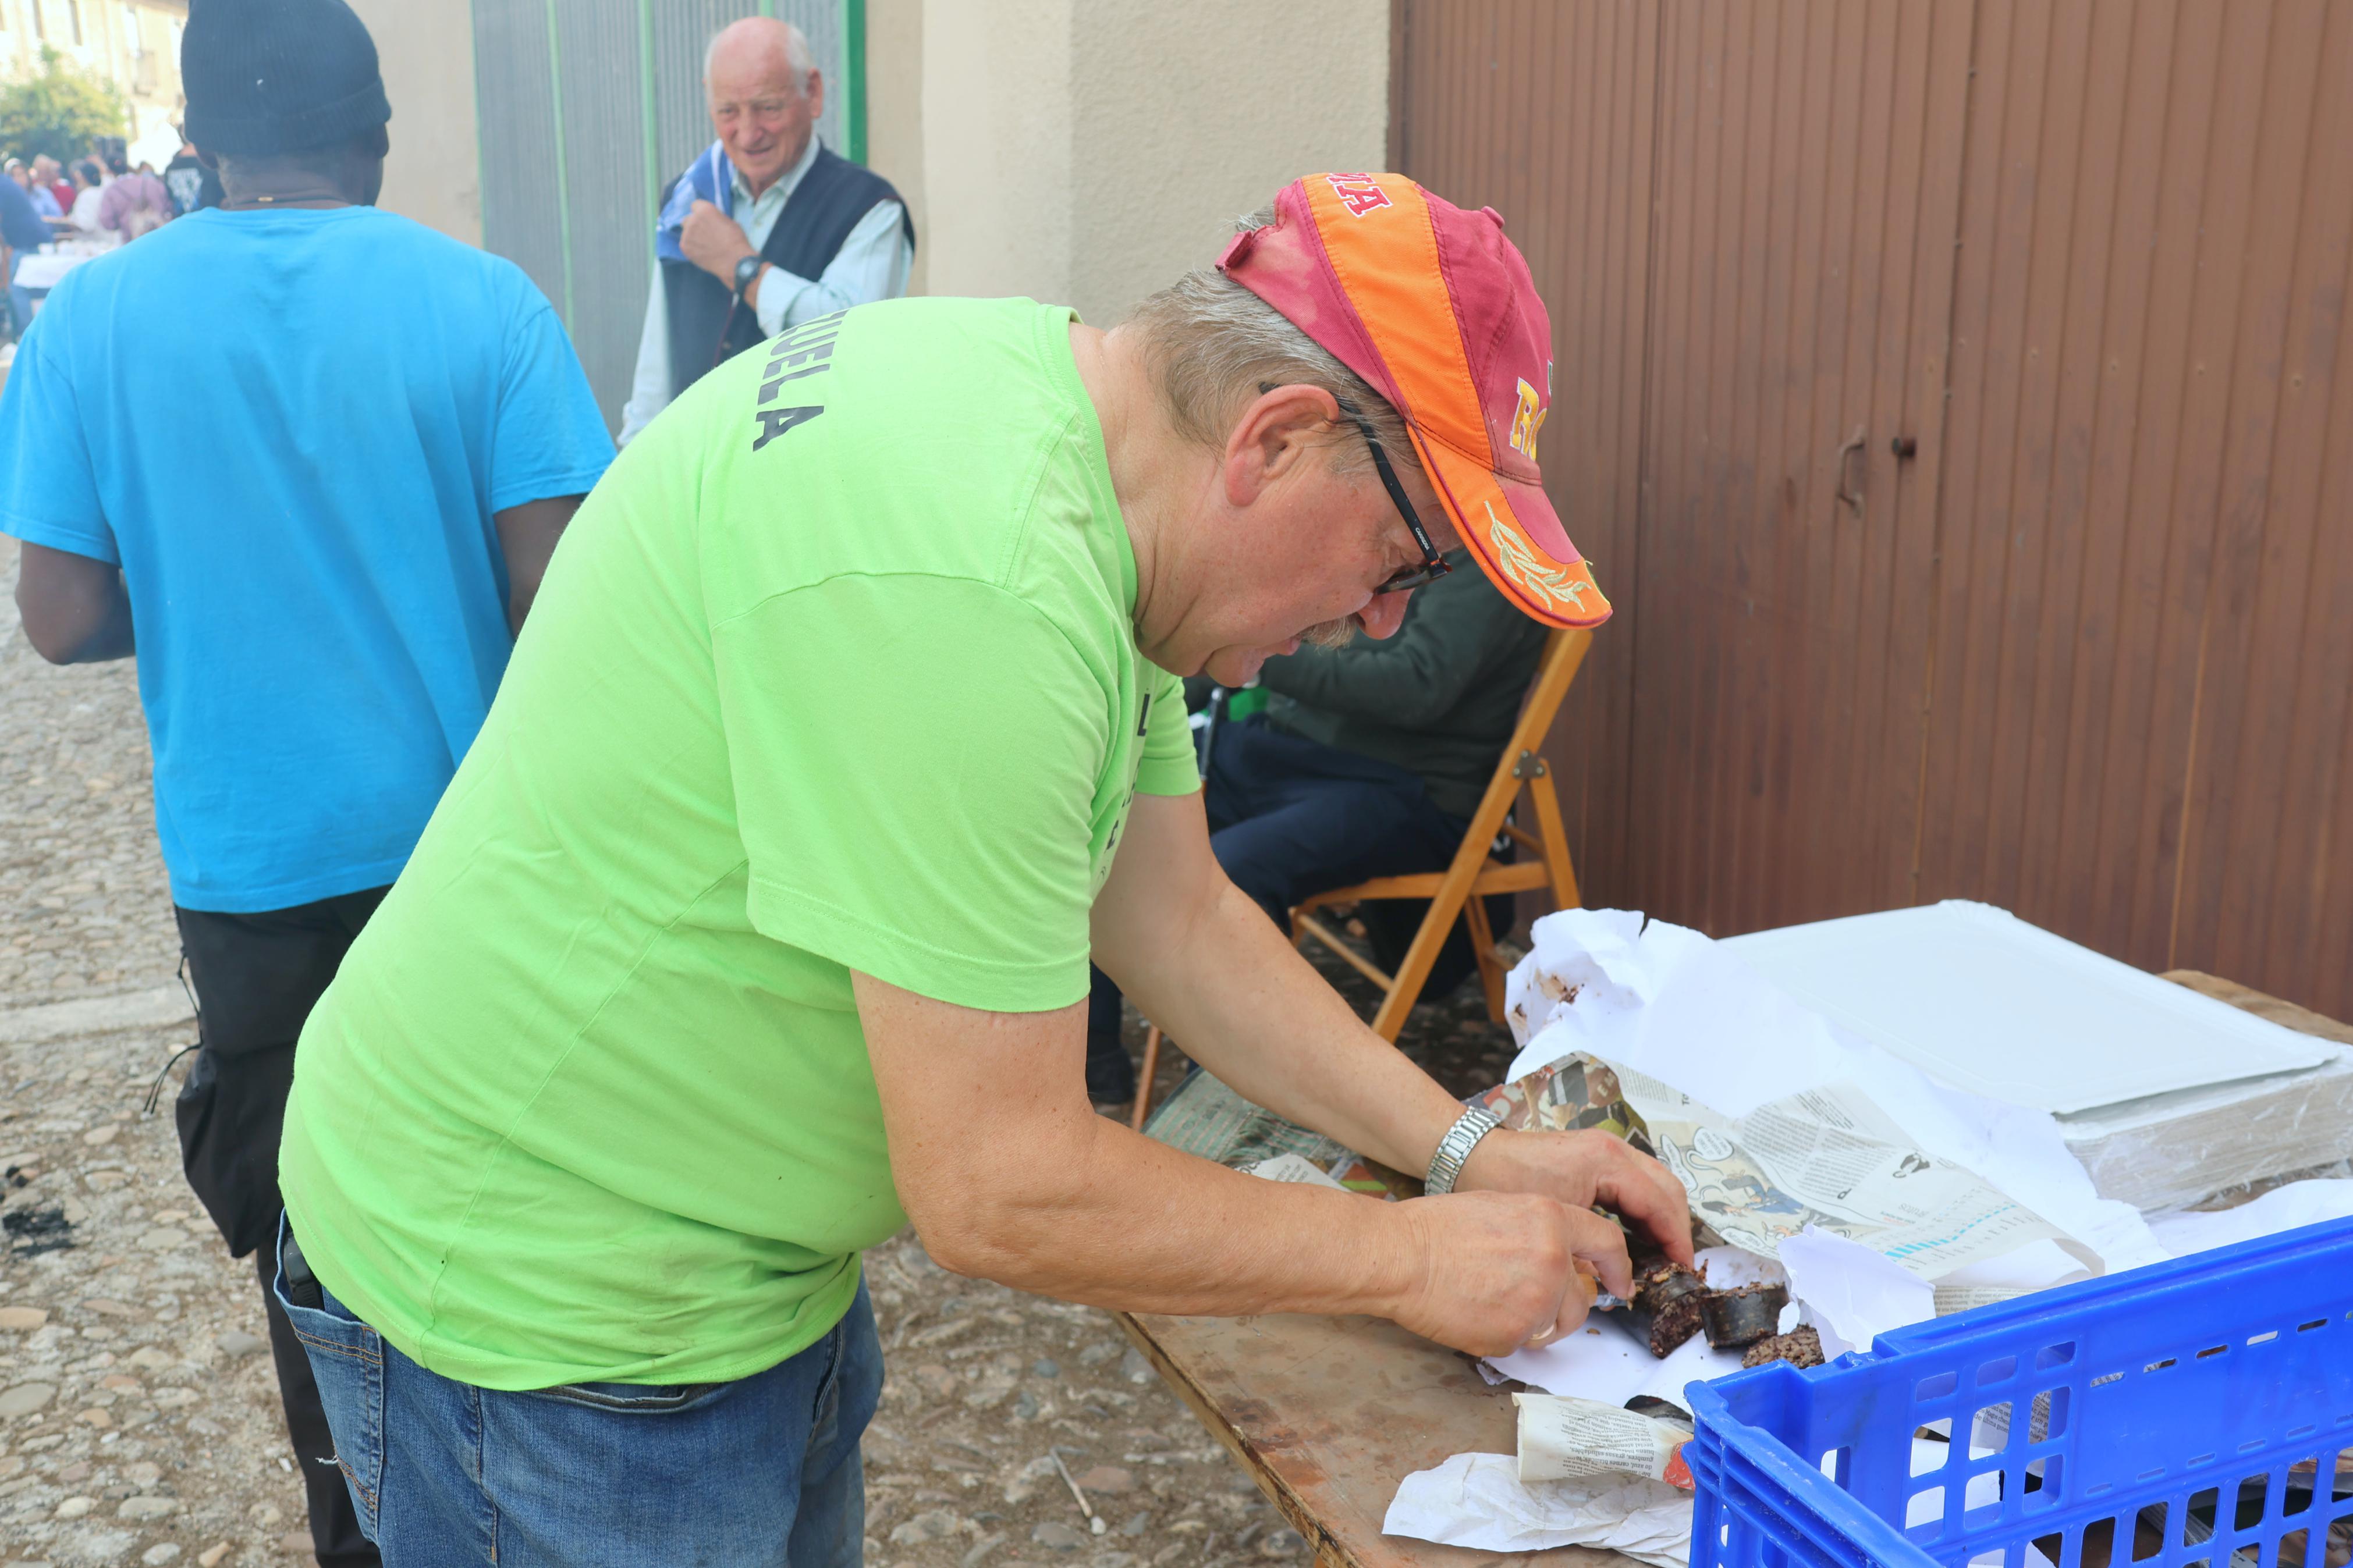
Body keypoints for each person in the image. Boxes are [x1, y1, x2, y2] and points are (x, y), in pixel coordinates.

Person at [272, 170, 1652, 1566]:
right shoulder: (979, 589)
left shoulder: (1057, 429)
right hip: (545, 1310)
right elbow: (1002, 1185)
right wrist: (1411, 1259)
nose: (1379, 620)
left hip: (726, 1265)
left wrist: (1467, 1153)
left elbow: (1176, 917)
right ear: (1277, 440)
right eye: (1400, 557)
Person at [0, 1, 614, 1562]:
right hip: (473, 863)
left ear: (200, 141)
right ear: (379, 135)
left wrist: (212, 581)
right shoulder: (484, 305)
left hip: (252, 871)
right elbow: (573, 596)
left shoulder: (91, 322)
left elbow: (61, 615)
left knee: (311, 1219)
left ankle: (365, 1520)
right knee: (510, 1193)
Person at [1083, 548, 1546, 1100]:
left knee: (1235, 868)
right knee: (1109, 810)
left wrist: (1254, 645)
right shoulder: (1396, 535)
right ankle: (1090, 1061)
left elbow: (1416, 686)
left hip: (1401, 788)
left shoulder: (1492, 563)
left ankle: (1221, 1113)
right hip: (1291, 752)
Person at [615, 16, 912, 446]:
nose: (748, 133)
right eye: (728, 112)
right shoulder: (690, 197)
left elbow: (851, 345)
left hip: (810, 477)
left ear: (813, 92)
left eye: (767, 107)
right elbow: (657, 362)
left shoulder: (871, 207)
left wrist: (743, 267)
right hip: (704, 472)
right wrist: (633, 455)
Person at [1, 160, 52, 337]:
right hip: (29, 240)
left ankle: (29, 335)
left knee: (19, 288)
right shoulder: (5, 183)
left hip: (26, 243)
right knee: (28, 287)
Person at [97, 158, 172, 239]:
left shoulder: (111, 192)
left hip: (132, 242)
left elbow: (107, 222)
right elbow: (169, 207)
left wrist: (124, 223)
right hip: (160, 235)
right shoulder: (153, 182)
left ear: (110, 172)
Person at [164, 137, 222, 215]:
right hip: (210, 220)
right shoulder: (208, 164)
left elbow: (170, 197)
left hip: (182, 221)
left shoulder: (169, 169)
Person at [66, 158, 107, 233]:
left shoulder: (86, 195)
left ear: (82, 177)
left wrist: (65, 224)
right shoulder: (103, 192)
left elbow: (86, 224)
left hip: (90, 243)